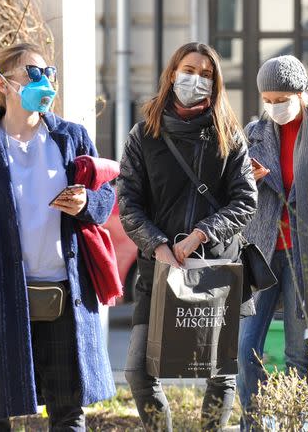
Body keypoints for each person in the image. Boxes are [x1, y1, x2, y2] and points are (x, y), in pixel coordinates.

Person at [0, 43, 116, 430]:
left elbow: (106, 199)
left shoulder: (71, 137)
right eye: (34, 74)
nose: (46, 82)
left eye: (50, 73)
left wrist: (87, 201)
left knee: (68, 410)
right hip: (2, 297)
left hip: (64, 293)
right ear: (3, 83)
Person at [117, 42, 257, 431]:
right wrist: (158, 245)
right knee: (138, 370)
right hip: (160, 268)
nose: (197, 79)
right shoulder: (144, 134)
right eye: (189, 69)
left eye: (207, 74)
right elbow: (128, 200)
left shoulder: (228, 133)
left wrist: (200, 234)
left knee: (220, 372)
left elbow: (246, 201)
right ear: (172, 73)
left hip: (216, 266)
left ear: (216, 83)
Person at [238, 55, 308, 429]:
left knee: (298, 353)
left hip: (305, 256)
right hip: (260, 253)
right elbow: (232, 199)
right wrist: (247, 183)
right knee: (245, 348)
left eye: (281, 98)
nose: (274, 107)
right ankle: (253, 425)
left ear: (301, 93)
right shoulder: (254, 134)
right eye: (267, 99)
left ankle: (296, 424)